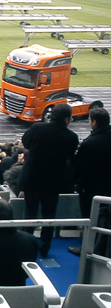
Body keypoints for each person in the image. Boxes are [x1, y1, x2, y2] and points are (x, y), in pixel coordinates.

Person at [20, 103, 79, 257]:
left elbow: (26, 143)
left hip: (32, 178)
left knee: (30, 213)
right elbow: (69, 157)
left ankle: (27, 244)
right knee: (49, 215)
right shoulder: (71, 137)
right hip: (53, 181)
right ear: (67, 119)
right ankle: (45, 245)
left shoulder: (38, 128)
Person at [70, 108, 111, 256]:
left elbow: (79, 166)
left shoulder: (91, 143)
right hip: (107, 187)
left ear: (94, 122)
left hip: (91, 187)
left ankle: (89, 248)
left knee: (91, 219)